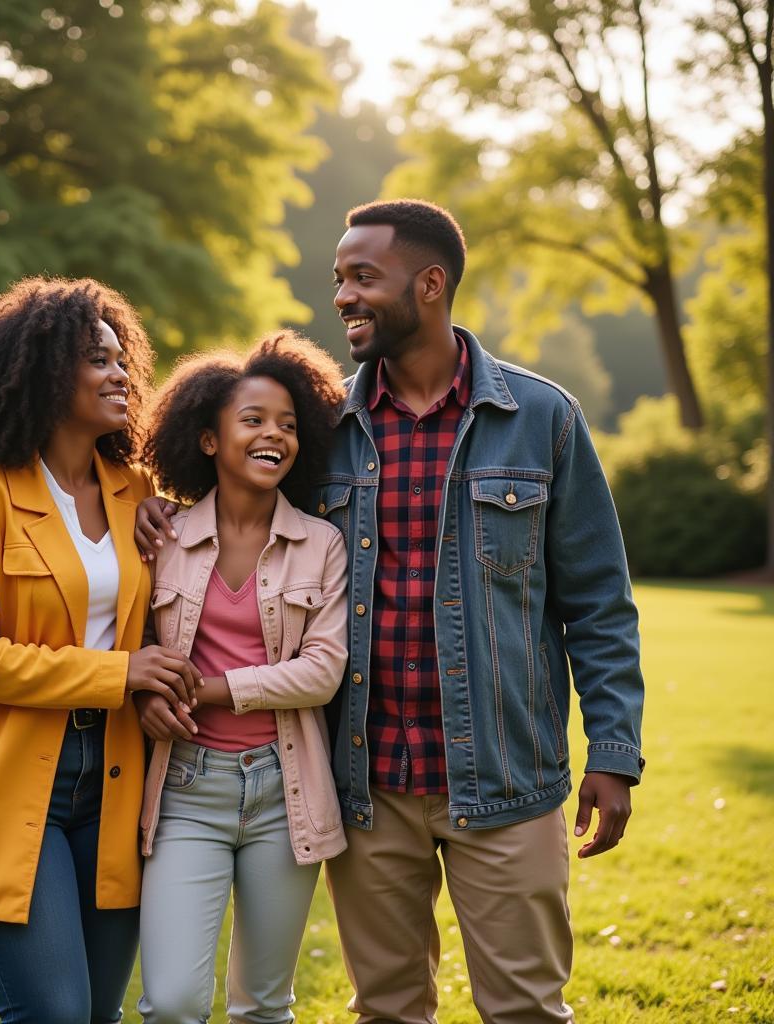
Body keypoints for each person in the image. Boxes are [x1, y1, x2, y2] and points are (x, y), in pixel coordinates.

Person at [137, 200, 645, 1024]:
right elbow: (231, 512)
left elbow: (599, 606)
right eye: (339, 279)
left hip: (506, 780)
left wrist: (615, 752)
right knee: (389, 1011)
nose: (342, 297)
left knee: (524, 1009)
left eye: (362, 277)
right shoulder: (323, 428)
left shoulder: (542, 419)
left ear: (431, 284)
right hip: (363, 787)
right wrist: (151, 508)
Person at [0, 276, 201, 1024]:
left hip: (116, 779)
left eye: (122, 358)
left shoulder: (140, 493)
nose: (121, 374)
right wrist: (122, 673)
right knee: (55, 1015)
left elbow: (173, 604)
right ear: (43, 372)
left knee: (98, 1015)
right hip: (2, 777)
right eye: (96, 360)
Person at [134, 333, 349, 1024]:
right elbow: (128, 645)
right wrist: (143, 691)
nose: (274, 436)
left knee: (263, 1006)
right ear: (207, 439)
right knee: (171, 1003)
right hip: (186, 789)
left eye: (288, 424)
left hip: (284, 794)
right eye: (253, 420)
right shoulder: (160, 538)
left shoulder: (322, 544)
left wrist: (209, 688)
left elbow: (321, 671)